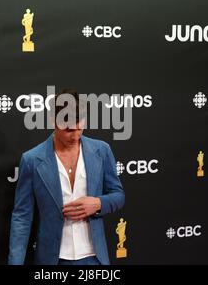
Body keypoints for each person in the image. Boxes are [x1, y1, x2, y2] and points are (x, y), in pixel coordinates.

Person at [8, 89, 125, 265]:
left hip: (94, 258)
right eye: (68, 129)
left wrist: (98, 203)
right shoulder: (31, 160)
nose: (75, 135)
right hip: (52, 259)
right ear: (53, 121)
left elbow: (118, 195)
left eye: (79, 127)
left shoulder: (101, 151)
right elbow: (22, 217)